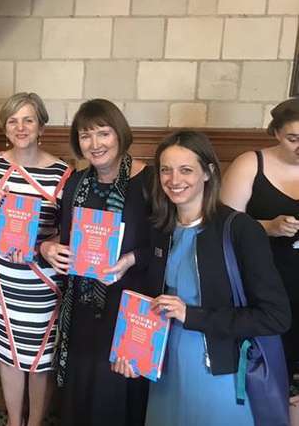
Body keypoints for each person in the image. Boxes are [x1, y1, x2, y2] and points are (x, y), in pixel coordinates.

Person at [113, 130, 291, 425]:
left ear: (208, 173)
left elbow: (275, 317)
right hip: (164, 368)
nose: (174, 179)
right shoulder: (160, 227)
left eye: (186, 170)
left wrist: (192, 315)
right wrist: (134, 351)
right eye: (166, 170)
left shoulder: (240, 230)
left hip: (219, 372)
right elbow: (155, 297)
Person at [40, 99, 151, 425]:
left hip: (129, 304)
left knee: (116, 392)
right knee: (83, 389)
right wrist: (48, 248)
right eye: (86, 136)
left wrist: (130, 259)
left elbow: (165, 245)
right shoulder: (76, 183)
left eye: (103, 133)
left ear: (119, 134)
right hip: (83, 306)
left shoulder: (149, 181)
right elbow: (64, 237)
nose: (95, 144)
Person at [0, 93, 71, 426]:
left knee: (41, 359)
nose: (21, 127)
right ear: (5, 127)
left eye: (28, 119)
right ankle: (15, 421)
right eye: (13, 120)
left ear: (41, 125)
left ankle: (36, 422)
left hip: (42, 286)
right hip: (0, 281)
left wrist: (47, 246)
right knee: (8, 355)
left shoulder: (63, 174)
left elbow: (67, 235)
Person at [221, 98, 299, 380]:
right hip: (263, 283)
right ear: (277, 133)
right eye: (293, 139)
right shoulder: (250, 164)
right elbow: (222, 227)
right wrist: (268, 227)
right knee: (271, 366)